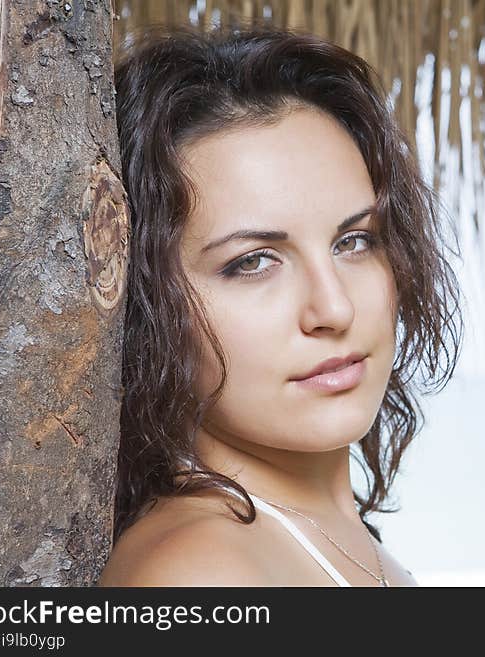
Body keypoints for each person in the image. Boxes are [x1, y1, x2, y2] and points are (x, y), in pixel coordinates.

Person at [98, 22, 462, 587]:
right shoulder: (198, 575)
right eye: (253, 262)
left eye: (354, 241)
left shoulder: (329, 539)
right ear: (147, 303)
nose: (334, 309)